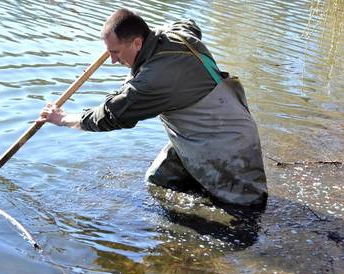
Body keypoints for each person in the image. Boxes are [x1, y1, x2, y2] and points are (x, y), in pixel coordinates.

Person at [38, 8, 268, 207]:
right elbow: (189, 24)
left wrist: (62, 119)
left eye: (115, 52)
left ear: (137, 42)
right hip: (194, 134)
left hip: (228, 145)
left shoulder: (152, 80)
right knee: (159, 182)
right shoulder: (176, 34)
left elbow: (109, 116)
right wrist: (149, 32)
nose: (113, 61)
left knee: (243, 209)